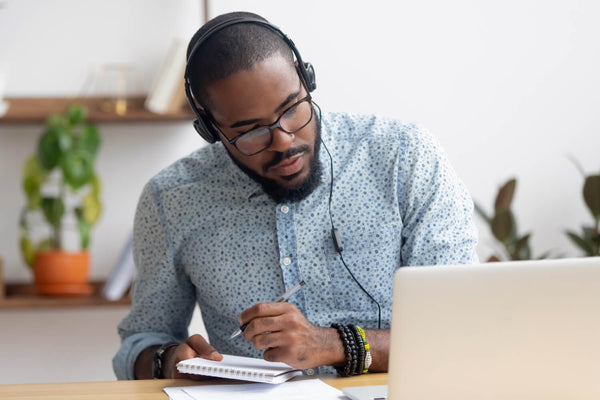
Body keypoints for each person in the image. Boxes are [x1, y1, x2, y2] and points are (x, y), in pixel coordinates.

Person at [113, 11, 478, 380]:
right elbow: (140, 342)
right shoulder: (171, 199)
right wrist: (168, 360)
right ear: (210, 130)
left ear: (308, 80)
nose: (284, 140)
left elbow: (462, 330)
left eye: (291, 109)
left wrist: (333, 344)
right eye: (250, 131)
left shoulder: (404, 157)